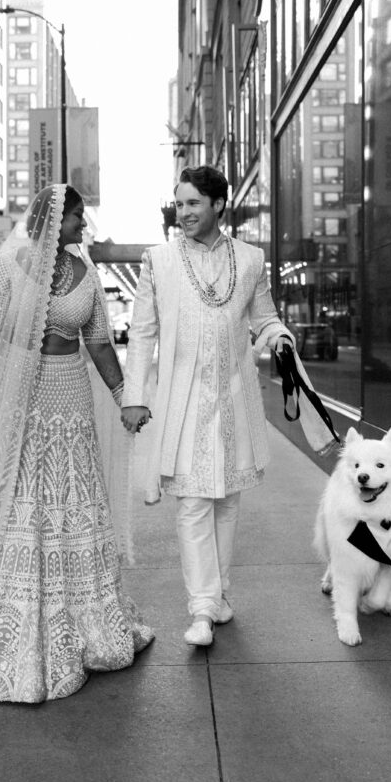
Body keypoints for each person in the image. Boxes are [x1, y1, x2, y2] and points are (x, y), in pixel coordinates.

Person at [0, 184, 154, 702]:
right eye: (75, 218)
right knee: (20, 496)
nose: (82, 227)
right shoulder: (11, 266)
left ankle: (82, 613)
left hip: (71, 397)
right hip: (19, 394)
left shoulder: (86, 273)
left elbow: (97, 343)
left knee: (70, 495)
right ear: (51, 219)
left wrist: (122, 397)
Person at [120, 165, 295, 648]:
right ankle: (200, 607)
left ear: (219, 204)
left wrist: (279, 338)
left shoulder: (251, 259)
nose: (184, 213)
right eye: (179, 204)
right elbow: (142, 334)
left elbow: (265, 317)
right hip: (184, 401)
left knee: (227, 502)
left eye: (193, 203)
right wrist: (135, 397)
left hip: (234, 398)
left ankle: (219, 596)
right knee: (194, 502)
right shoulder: (158, 261)